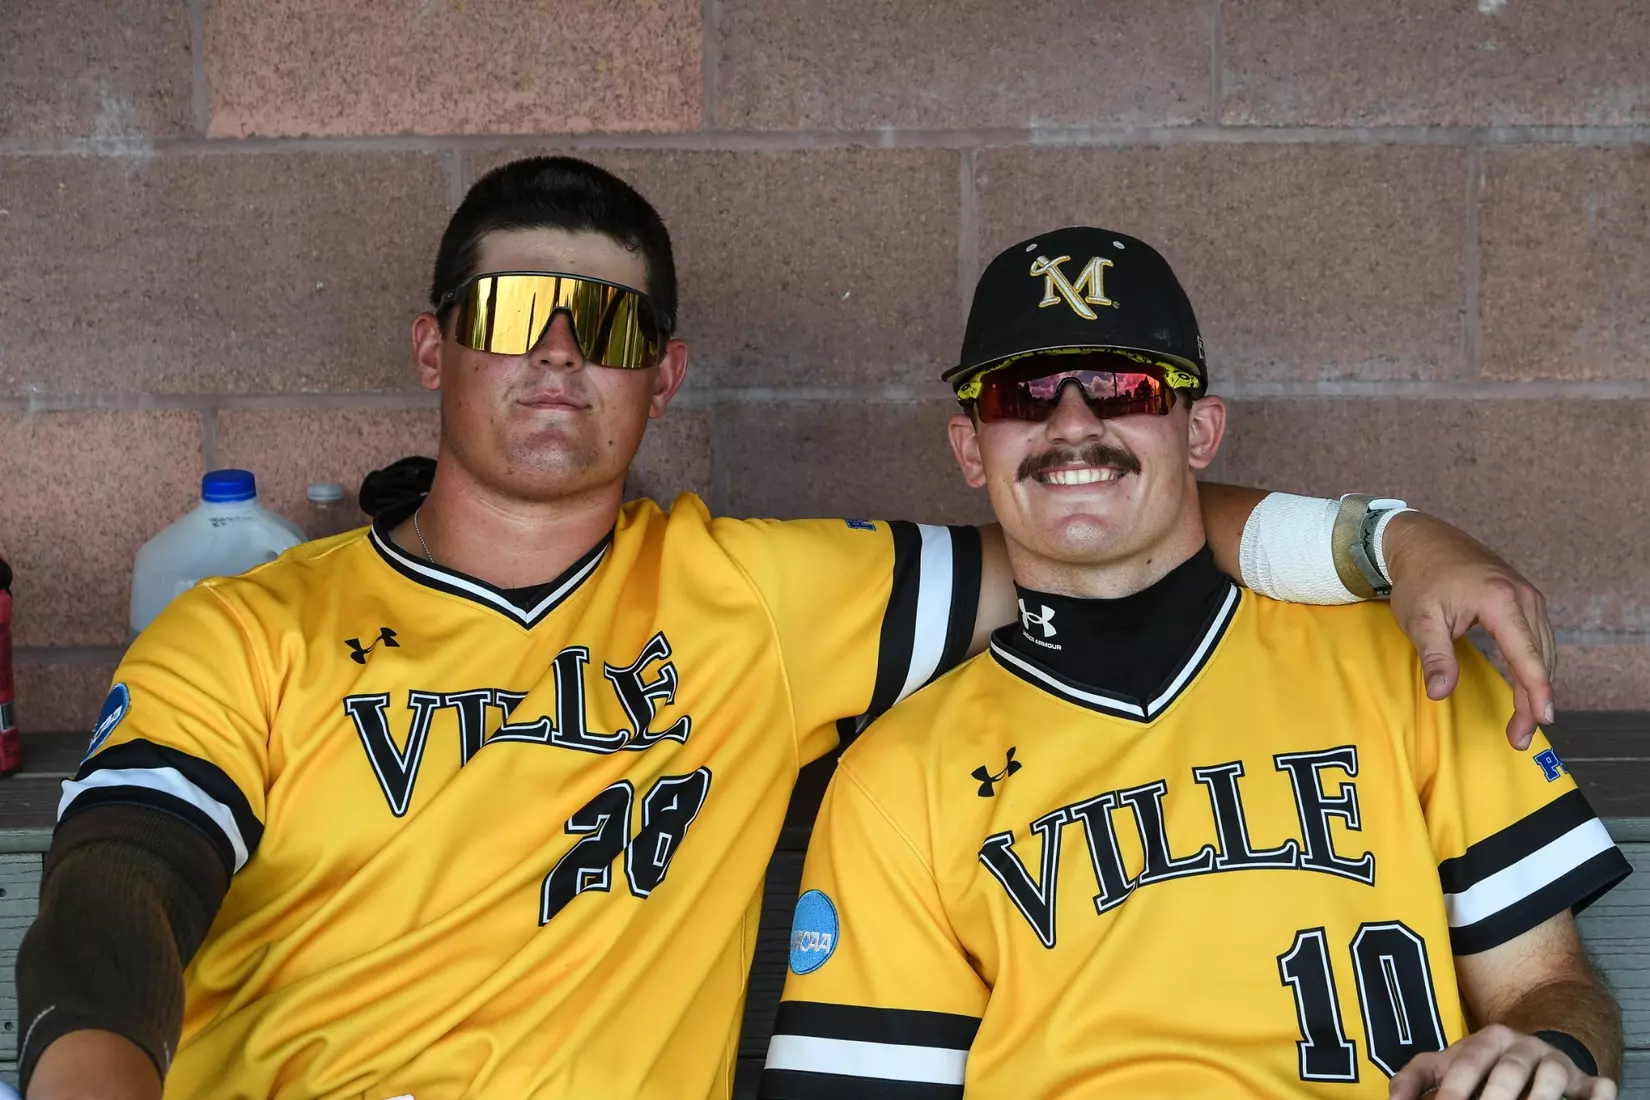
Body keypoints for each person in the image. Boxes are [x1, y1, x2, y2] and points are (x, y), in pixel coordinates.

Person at [20, 161, 1560, 1100]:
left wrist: (1384, 540)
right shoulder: (253, 623)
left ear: (663, 373)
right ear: (433, 345)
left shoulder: (759, 598)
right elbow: (122, 879)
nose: (560, 359)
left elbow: (1095, 516)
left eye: (609, 328)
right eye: (509, 317)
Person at [759, 227, 1631, 1100]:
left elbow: (1547, 987)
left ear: (1201, 430)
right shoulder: (897, 780)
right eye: (1021, 395)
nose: (1072, 424)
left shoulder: (1407, 662)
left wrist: (1551, 1053)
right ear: (969, 448)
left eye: (1123, 387)